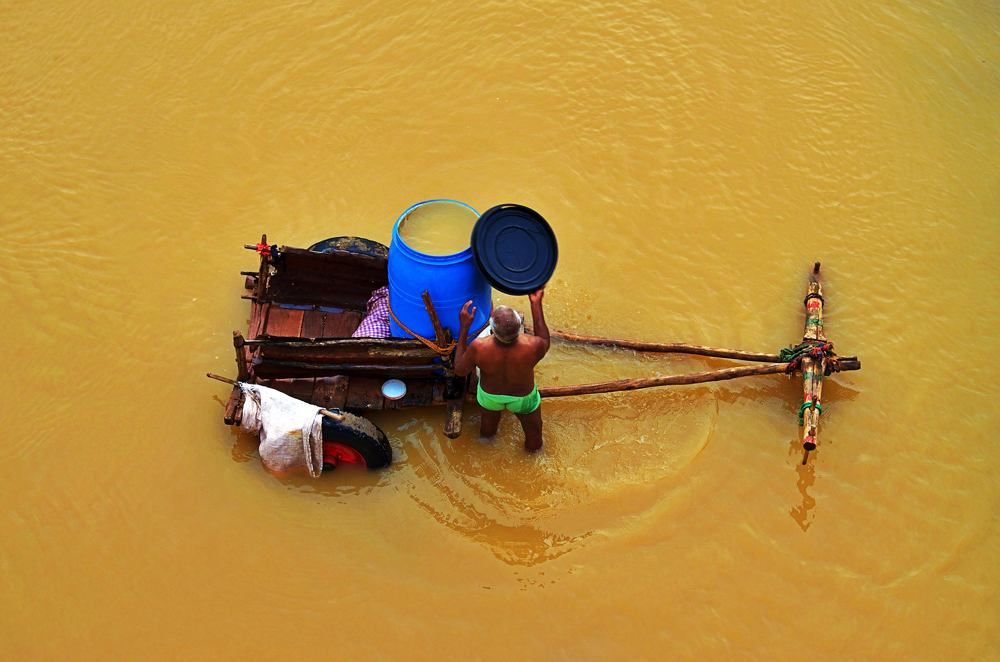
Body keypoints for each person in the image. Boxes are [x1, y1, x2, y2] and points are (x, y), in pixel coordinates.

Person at [454, 287, 550, 452]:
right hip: (522, 399)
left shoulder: (479, 347)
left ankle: (485, 447)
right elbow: (544, 339)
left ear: (492, 331)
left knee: (487, 429)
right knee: (534, 435)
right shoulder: (533, 346)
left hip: (490, 397)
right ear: (519, 330)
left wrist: (463, 328)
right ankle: (533, 456)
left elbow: (460, 370)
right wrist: (536, 303)